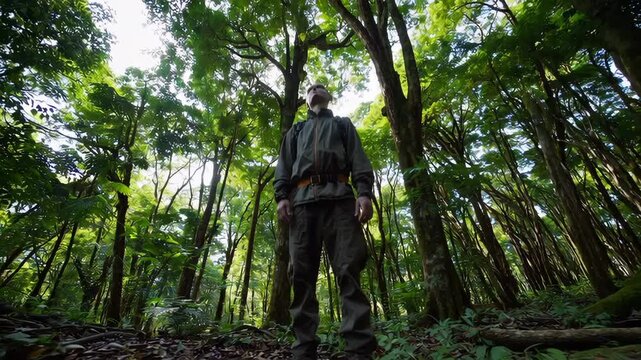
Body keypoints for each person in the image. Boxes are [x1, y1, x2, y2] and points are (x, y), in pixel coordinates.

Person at [274, 84, 377, 360]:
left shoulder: (342, 125)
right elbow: (283, 166)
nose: (315, 90)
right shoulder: (296, 131)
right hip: (302, 205)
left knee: (348, 270)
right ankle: (304, 350)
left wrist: (364, 193)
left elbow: (359, 160)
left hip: (341, 202)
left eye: (320, 87)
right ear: (306, 100)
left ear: (329, 96)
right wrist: (282, 197)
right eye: (310, 88)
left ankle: (358, 349)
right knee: (301, 276)